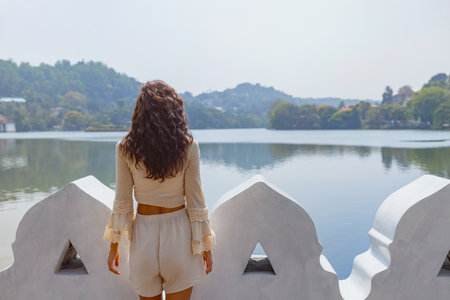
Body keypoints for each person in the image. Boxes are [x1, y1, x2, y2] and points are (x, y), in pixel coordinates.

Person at [103, 80, 215, 300]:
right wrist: (205, 247)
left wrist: (113, 248)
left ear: (139, 114)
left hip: (144, 236)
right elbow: (195, 202)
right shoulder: (189, 146)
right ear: (175, 111)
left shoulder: (125, 148)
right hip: (180, 239)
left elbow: (122, 203)